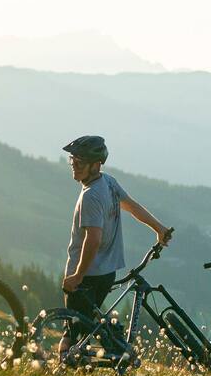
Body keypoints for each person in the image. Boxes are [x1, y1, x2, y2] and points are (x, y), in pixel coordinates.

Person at [59, 135, 171, 357]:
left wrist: (78, 275)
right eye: (72, 161)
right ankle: (104, 353)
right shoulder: (108, 182)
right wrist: (159, 228)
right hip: (106, 272)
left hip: (87, 274)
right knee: (86, 329)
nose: (74, 167)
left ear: (96, 165)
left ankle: (60, 371)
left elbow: (93, 239)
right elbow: (132, 206)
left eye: (79, 163)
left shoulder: (91, 196)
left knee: (71, 333)